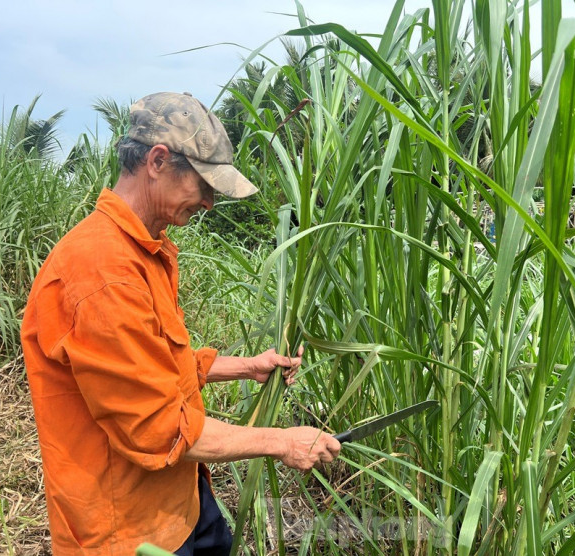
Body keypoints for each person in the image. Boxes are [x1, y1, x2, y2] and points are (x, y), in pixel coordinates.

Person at [20, 91, 341, 555]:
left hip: (182, 501)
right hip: (126, 531)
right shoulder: (101, 272)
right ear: (157, 161)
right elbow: (158, 427)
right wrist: (281, 441)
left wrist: (246, 366)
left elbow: (155, 367)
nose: (209, 203)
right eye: (205, 185)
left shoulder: (145, 251)